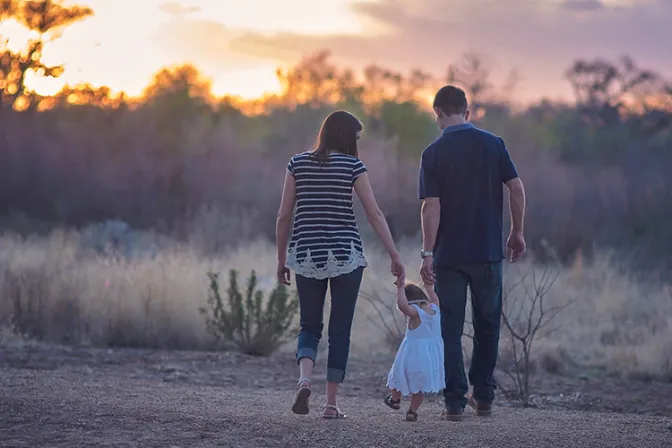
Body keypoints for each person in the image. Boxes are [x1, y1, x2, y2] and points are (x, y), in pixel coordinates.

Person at [276, 110, 405, 419]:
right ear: (347, 137)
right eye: (357, 138)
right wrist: (394, 254)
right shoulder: (353, 166)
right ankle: (331, 404)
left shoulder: (297, 163)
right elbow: (374, 214)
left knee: (309, 325)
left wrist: (282, 259)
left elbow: (283, 215)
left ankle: (305, 379)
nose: (357, 144)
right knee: (340, 330)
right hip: (346, 255)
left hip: (306, 254)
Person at [418, 85, 526, 421]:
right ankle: (483, 396)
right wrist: (517, 232)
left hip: (449, 256)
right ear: (467, 111)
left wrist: (427, 252)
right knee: (488, 325)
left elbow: (430, 207)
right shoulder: (494, 144)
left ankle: (454, 403)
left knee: (450, 328)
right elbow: (517, 188)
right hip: (488, 253)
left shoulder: (433, 153)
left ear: (437, 113)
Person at [384, 281, 445, 422]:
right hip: (429, 357)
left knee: (397, 376)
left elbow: (403, 306)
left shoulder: (416, 313)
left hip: (412, 354)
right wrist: (429, 287)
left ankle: (395, 399)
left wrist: (400, 289)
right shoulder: (435, 309)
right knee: (420, 386)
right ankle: (412, 411)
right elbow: (435, 299)